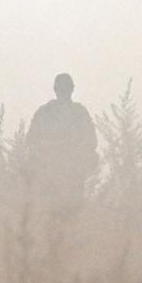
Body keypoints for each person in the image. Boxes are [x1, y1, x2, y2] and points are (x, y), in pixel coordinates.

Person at [26, 73, 98, 209]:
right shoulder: (78, 112)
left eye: (65, 88)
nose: (64, 91)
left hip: (64, 177)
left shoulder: (46, 112)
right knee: (66, 217)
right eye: (63, 88)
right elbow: (31, 142)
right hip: (57, 177)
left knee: (60, 218)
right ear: (73, 89)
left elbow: (30, 141)